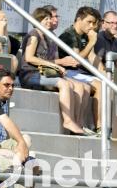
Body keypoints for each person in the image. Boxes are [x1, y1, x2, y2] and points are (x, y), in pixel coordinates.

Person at [17, 7, 87, 135]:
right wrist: (56, 66)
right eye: (46, 19)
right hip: (30, 74)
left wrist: (58, 68)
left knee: (79, 86)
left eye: (50, 18)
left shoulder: (50, 36)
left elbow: (54, 60)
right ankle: (67, 120)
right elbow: (29, 57)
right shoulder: (34, 35)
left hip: (45, 72)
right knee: (64, 84)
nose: (49, 21)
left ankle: (77, 121)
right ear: (38, 21)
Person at [58, 7, 102, 132]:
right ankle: (98, 126)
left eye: (94, 23)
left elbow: (92, 57)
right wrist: (92, 42)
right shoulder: (69, 35)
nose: (92, 26)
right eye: (89, 22)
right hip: (68, 71)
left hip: (79, 72)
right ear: (79, 19)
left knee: (105, 84)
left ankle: (97, 125)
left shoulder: (85, 36)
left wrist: (106, 75)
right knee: (99, 86)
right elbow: (76, 61)